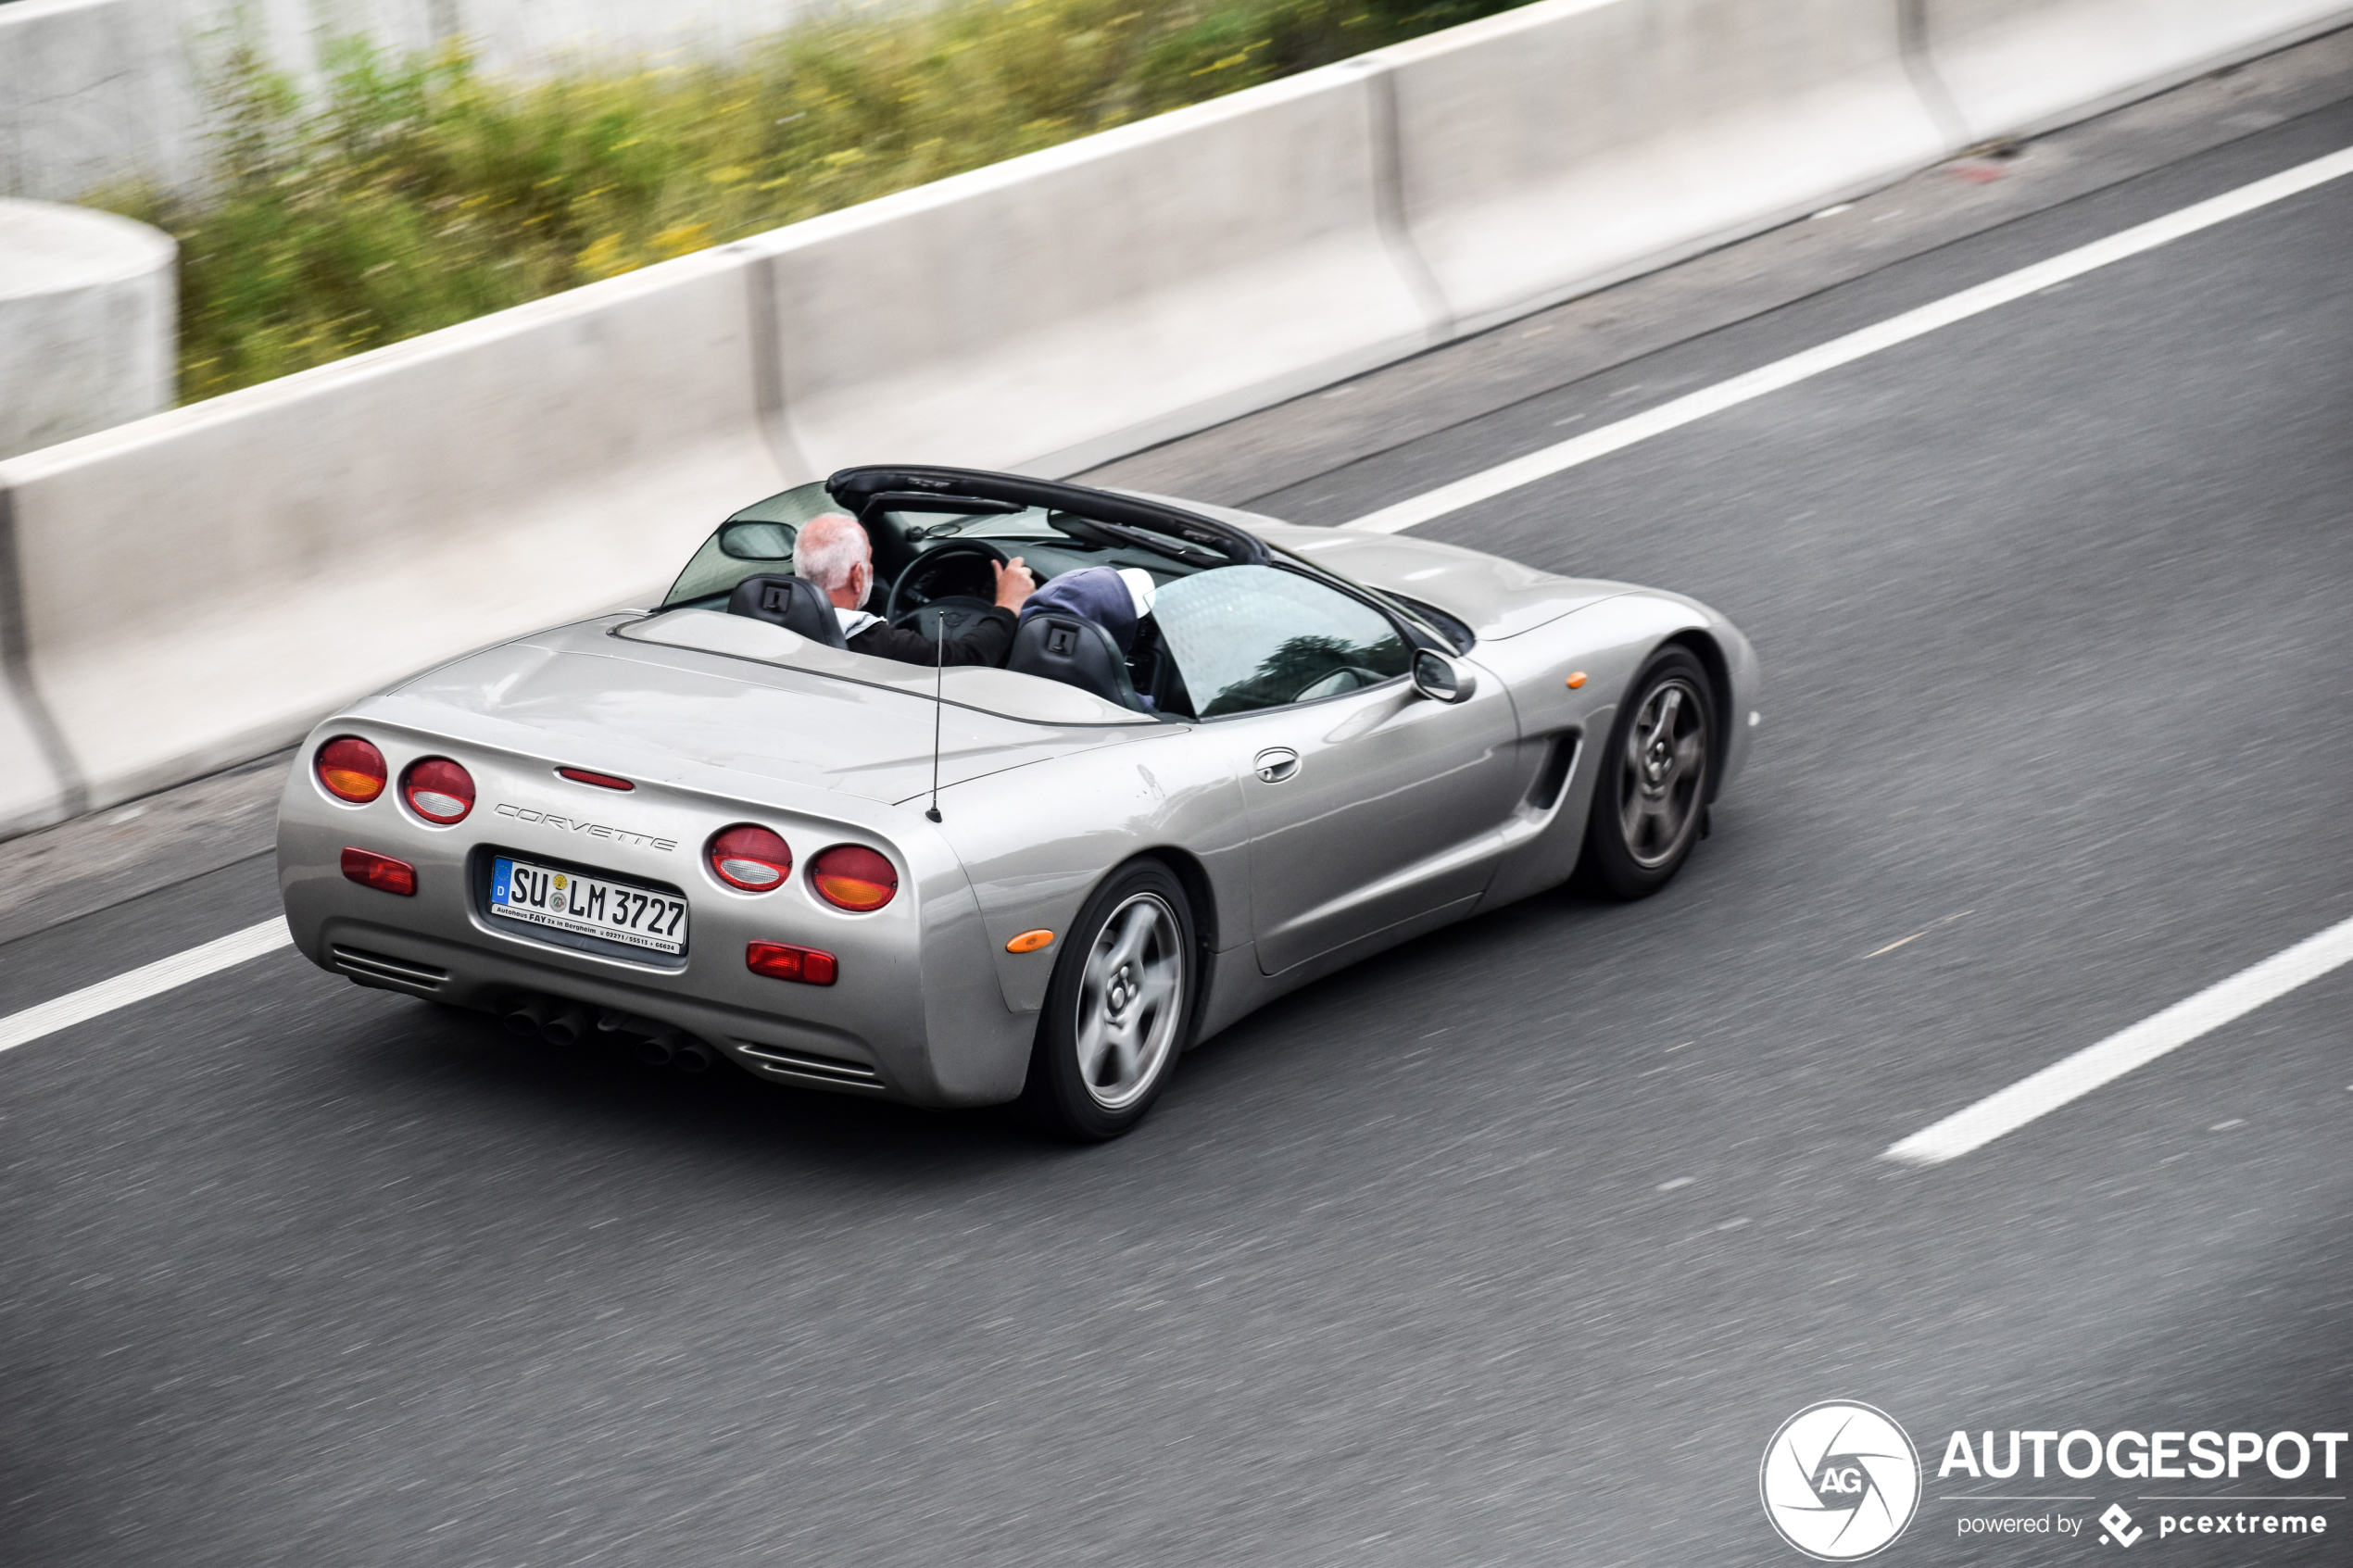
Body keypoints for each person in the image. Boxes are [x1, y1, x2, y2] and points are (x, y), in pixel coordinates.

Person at [792, 511, 1035, 665]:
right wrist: (1007, 605)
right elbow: (966, 659)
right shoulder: (871, 643)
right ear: (857, 577)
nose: (872, 569)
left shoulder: (765, 612)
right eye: (869, 560)